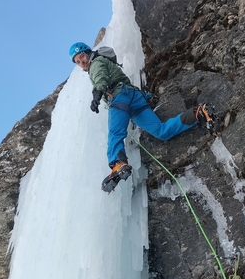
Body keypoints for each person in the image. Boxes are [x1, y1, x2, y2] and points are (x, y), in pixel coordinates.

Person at [69, 42, 221, 192]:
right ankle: (199, 113)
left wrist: (97, 95)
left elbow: (100, 77)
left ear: (88, 53)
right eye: (77, 62)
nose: (81, 62)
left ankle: (118, 163)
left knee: (115, 133)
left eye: (82, 56)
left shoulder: (96, 62)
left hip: (120, 96)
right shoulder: (101, 61)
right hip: (135, 98)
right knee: (161, 131)